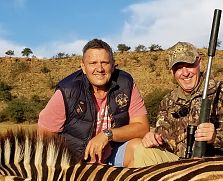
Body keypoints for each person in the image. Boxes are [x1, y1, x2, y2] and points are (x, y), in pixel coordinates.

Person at [134, 41, 223, 167]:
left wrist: (216, 136)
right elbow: (164, 139)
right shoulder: (168, 101)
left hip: (218, 166)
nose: (185, 73)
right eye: (178, 68)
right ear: (172, 72)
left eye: (189, 65)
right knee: (143, 150)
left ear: (199, 62)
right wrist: (153, 139)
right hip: (181, 167)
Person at [38, 38, 149, 167]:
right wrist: (69, 162)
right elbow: (44, 135)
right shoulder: (67, 91)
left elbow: (142, 127)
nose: (99, 69)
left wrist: (108, 135)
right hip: (75, 162)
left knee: (140, 148)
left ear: (113, 65)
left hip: (112, 154)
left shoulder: (126, 83)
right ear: (83, 67)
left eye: (105, 62)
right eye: (93, 63)